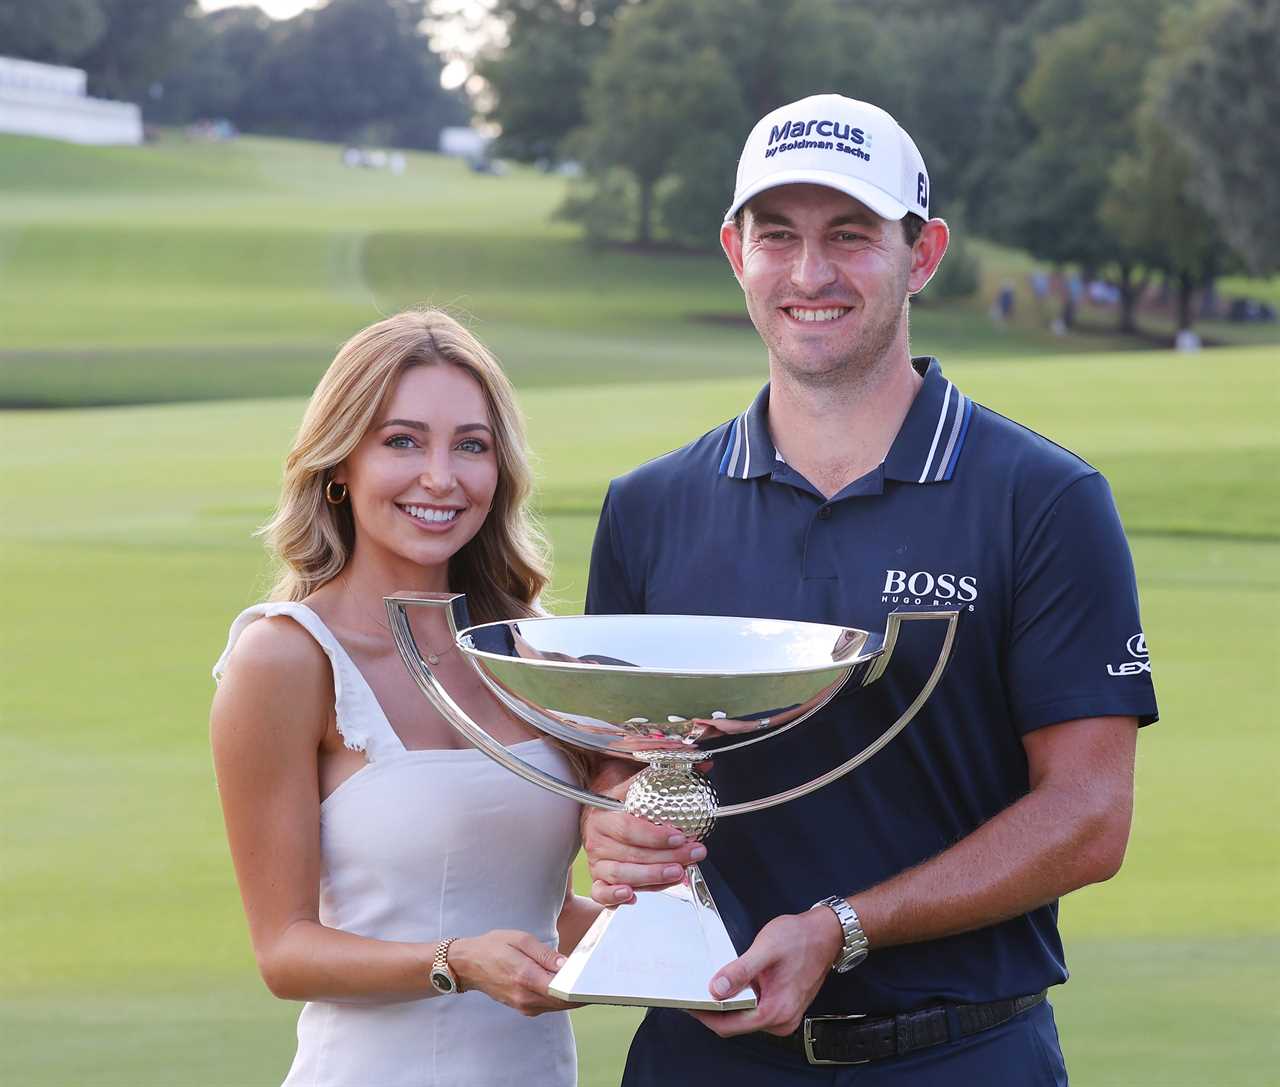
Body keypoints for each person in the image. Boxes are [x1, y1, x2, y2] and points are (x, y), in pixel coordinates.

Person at [581, 94, 1158, 1084]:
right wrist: (616, 822)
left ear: (921, 254)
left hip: (958, 1052)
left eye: (849, 236)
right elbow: (623, 764)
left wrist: (842, 929)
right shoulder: (649, 507)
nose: (809, 274)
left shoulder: (1042, 499)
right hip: (699, 1054)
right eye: (778, 237)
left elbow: (1087, 814)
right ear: (734, 250)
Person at [210, 310, 598, 1087]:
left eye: (471, 445)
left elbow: (541, 911)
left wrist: (697, 937)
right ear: (339, 465)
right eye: (402, 440)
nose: (441, 477)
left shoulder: (538, 653)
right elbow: (283, 950)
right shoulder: (285, 658)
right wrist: (454, 962)